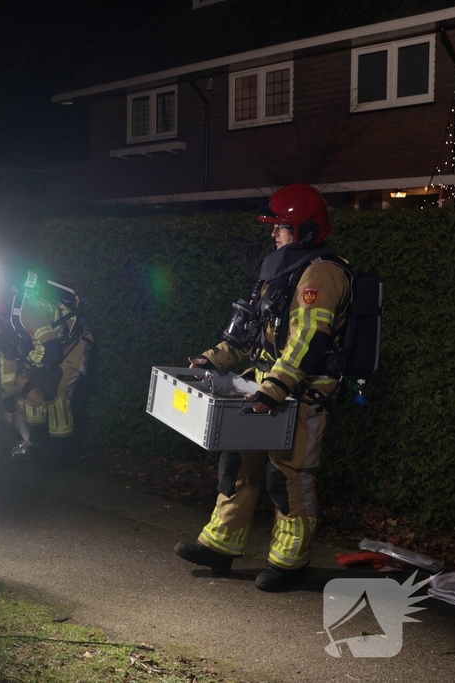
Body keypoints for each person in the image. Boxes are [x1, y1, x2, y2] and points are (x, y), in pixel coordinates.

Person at [173, 183, 351, 592]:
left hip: (303, 394)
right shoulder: (283, 267)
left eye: (281, 227)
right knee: (238, 460)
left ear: (305, 230)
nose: (273, 235)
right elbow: (253, 328)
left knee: (287, 475)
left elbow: (308, 340)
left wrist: (275, 388)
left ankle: (290, 563)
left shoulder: (321, 273)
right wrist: (213, 359)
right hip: (266, 386)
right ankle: (220, 545)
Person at [0, 271, 94, 472]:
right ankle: (37, 445)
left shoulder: (26, 312)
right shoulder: (4, 332)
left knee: (54, 391)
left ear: (0, 315)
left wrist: (30, 368)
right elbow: (7, 368)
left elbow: (49, 348)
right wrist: (9, 405)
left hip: (74, 345)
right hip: (49, 351)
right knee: (28, 395)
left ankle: (62, 454)